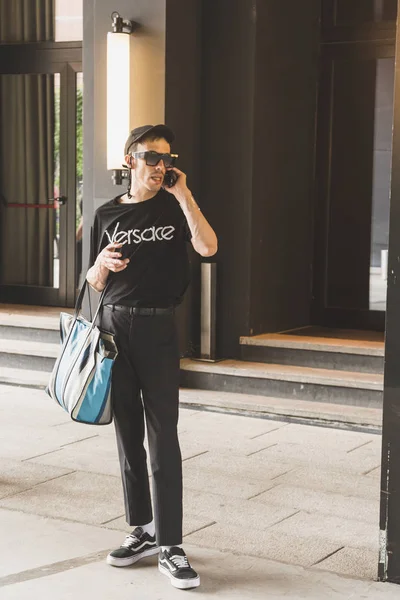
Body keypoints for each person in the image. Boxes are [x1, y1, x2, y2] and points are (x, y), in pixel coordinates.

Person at [86, 124, 218, 590]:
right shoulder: (106, 214)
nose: (160, 166)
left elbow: (208, 247)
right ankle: (141, 530)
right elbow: (92, 283)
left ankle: (172, 544)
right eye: (150, 157)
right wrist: (101, 264)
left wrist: (185, 195)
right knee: (127, 434)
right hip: (114, 329)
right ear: (130, 161)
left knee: (164, 435)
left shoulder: (176, 204)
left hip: (160, 328)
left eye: (166, 158)